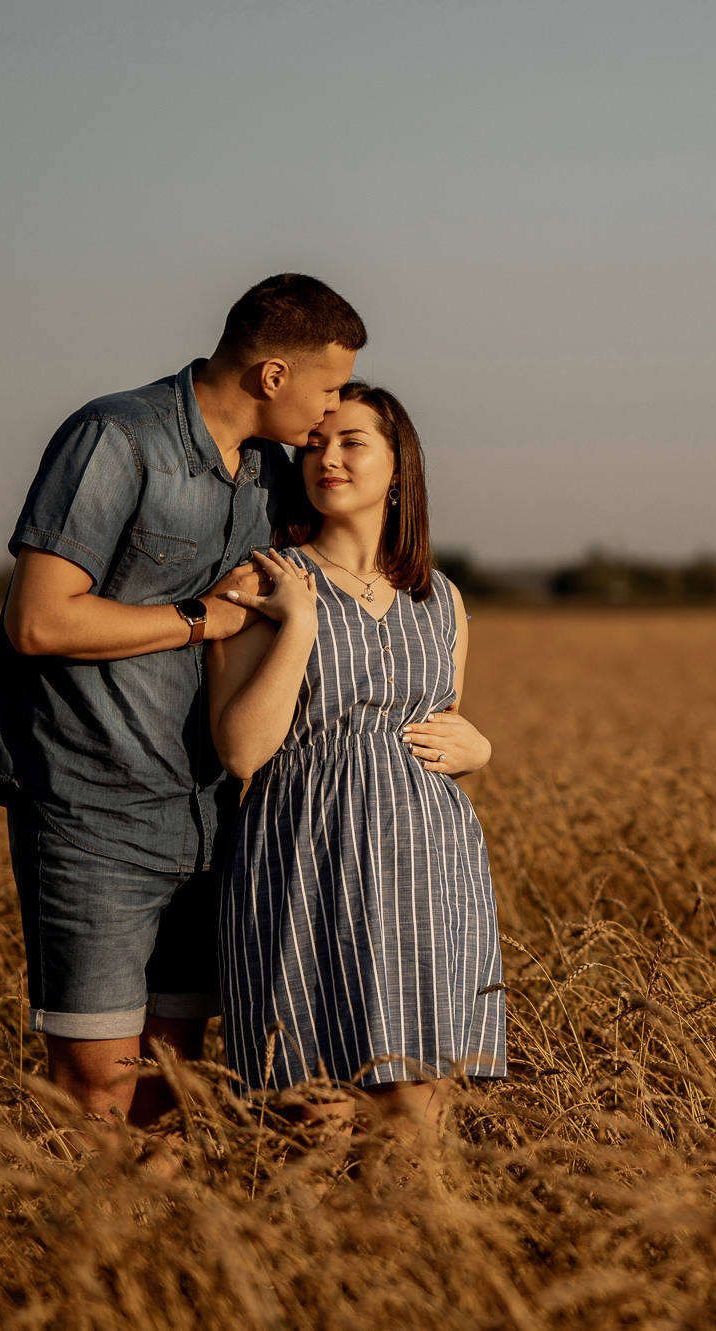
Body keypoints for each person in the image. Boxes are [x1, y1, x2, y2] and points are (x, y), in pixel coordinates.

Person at [0, 275, 478, 1130]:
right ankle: (73, 1255)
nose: (329, 413)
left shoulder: (272, 476)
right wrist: (201, 618)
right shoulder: (117, 439)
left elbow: (360, 594)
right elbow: (39, 621)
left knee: (172, 1093)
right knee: (96, 1091)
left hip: (214, 818)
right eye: (326, 388)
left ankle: (159, 1263)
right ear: (273, 376)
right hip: (94, 809)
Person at [208, 383, 503, 1127]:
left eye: (350, 442)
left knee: (417, 1105)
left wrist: (481, 750)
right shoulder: (265, 582)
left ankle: (418, 1246)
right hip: (303, 856)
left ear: (399, 466)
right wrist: (300, 623)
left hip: (426, 867)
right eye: (313, 444)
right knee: (315, 1113)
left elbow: (443, 730)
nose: (326, 457)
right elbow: (242, 751)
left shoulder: (442, 599)